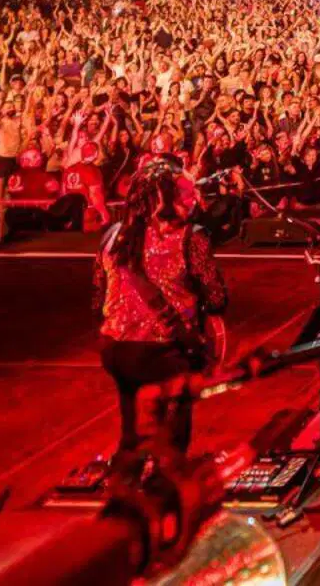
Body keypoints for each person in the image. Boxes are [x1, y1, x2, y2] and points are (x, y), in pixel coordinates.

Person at [92, 157, 228, 465]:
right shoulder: (190, 237)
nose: (193, 199)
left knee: (132, 427)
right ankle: (167, 482)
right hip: (164, 351)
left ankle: (128, 475)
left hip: (116, 348)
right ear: (163, 199)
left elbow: (97, 298)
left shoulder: (112, 235)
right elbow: (217, 297)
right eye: (184, 193)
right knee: (173, 433)